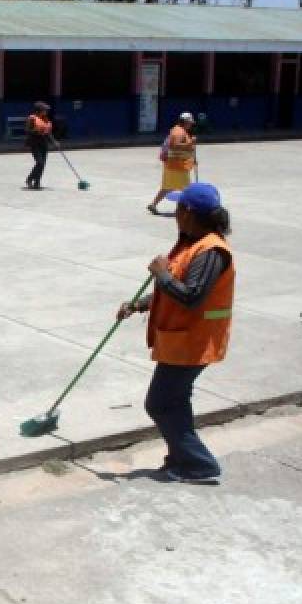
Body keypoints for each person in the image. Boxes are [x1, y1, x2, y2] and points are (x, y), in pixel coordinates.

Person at [117, 182, 234, 483]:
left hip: (194, 343)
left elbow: (192, 296)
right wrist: (139, 305)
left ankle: (199, 462)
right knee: (175, 401)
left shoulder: (211, 251)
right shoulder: (190, 242)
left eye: (178, 207)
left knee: (158, 403)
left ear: (189, 212)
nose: (175, 213)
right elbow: (174, 289)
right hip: (181, 339)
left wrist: (162, 274)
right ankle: (181, 460)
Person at [148, 111, 196, 214]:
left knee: (167, 187)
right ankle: (186, 209)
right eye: (190, 123)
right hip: (178, 167)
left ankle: (153, 204)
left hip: (173, 165)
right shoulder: (179, 132)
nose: (191, 125)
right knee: (187, 189)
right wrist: (190, 144)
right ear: (185, 122)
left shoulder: (178, 130)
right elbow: (174, 145)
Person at [25, 101, 52, 190]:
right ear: (39, 110)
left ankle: (37, 182)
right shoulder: (32, 118)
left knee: (42, 164)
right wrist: (35, 131)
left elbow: (48, 133)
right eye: (44, 110)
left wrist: (54, 141)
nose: (46, 111)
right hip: (35, 143)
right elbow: (27, 130)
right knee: (39, 163)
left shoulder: (46, 119)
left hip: (44, 144)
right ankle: (29, 179)